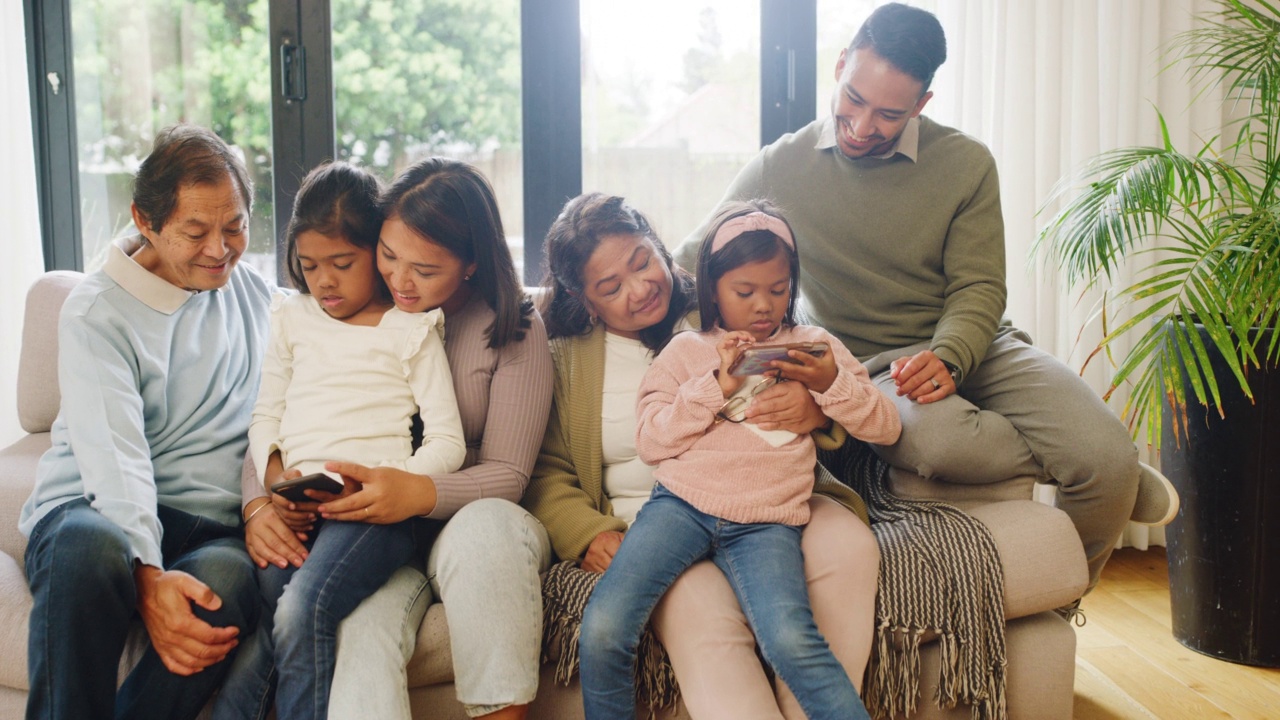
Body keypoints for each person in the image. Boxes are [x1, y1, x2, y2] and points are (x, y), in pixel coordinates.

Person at [675, 2, 1173, 592]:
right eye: (854, 100)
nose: (862, 127)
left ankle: (1069, 589)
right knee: (941, 444)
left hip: (977, 344)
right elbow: (695, 262)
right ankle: (1074, 467)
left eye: (888, 114)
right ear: (839, 67)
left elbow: (979, 285)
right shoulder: (781, 166)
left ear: (921, 104)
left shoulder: (965, 164)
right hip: (872, 367)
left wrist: (953, 355)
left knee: (1108, 460)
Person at [524, 192, 882, 720]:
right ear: (584, 299)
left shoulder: (731, 301)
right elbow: (545, 470)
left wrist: (816, 411)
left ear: (659, 244)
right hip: (664, 513)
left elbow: (839, 388)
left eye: (643, 261)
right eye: (611, 287)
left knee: (848, 550)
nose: (640, 287)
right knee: (705, 621)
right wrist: (585, 532)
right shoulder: (566, 358)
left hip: (773, 498)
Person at [235, 158, 554, 720]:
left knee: (484, 533)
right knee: (353, 627)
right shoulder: (345, 307)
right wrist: (259, 502)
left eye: (424, 270)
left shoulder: (512, 329)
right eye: (387, 256)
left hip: (468, 516)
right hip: (372, 531)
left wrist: (413, 492)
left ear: (472, 263)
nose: (400, 281)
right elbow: (289, 413)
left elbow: (507, 472)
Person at [18, 124, 273, 720]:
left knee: (229, 583)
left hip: (206, 527)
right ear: (145, 220)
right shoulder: (96, 310)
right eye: (196, 231)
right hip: (93, 509)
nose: (221, 249)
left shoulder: (254, 296)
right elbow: (117, 460)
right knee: (91, 546)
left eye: (235, 226)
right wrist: (148, 574)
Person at [213, 162, 467, 719]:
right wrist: (277, 483)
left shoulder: (412, 329)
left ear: (376, 253)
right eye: (309, 266)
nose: (324, 281)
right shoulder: (292, 317)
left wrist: (388, 485)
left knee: (302, 608)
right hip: (300, 503)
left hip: (374, 512)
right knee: (275, 613)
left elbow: (449, 441)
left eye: (342, 264)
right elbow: (265, 417)